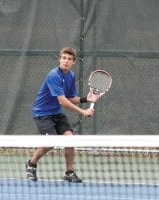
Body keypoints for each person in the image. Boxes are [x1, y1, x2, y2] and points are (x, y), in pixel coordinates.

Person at [25, 47, 102, 183]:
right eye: (64, 58)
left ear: (74, 62)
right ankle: (31, 164)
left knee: (70, 139)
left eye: (69, 59)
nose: (66, 61)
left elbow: (70, 97)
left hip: (56, 113)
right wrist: (83, 111)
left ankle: (69, 172)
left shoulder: (70, 76)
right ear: (60, 59)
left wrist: (86, 99)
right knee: (51, 142)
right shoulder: (53, 75)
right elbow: (62, 101)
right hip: (42, 113)